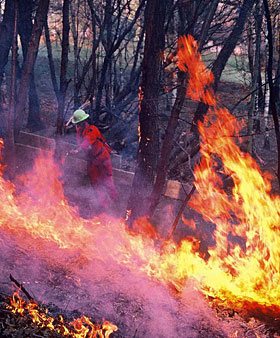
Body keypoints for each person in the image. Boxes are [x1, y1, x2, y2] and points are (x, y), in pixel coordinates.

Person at [69, 109, 118, 211]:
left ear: (84, 121)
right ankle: (103, 206)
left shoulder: (92, 130)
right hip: (92, 162)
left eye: (79, 123)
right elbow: (81, 144)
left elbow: (87, 142)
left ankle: (116, 204)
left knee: (107, 183)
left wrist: (78, 150)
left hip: (102, 159)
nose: (77, 125)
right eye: (77, 124)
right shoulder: (79, 131)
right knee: (95, 184)